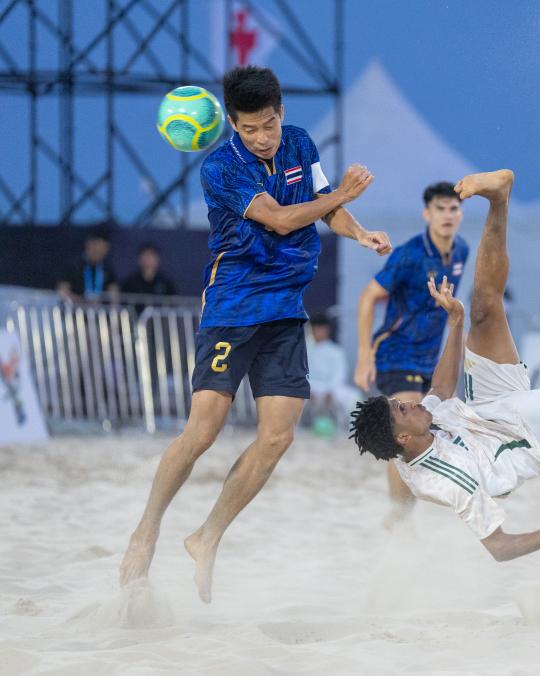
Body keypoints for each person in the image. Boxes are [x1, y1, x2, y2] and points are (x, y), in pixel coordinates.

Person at [119, 65, 392, 603]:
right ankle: (146, 529)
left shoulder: (300, 142)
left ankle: (207, 536)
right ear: (232, 124)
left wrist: (359, 232)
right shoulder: (220, 167)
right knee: (203, 432)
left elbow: (325, 209)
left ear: (281, 112)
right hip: (234, 305)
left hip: (286, 308)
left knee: (278, 436)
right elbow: (284, 219)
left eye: (269, 124)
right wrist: (343, 193)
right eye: (250, 129)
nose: (263, 137)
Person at [351, 170, 540, 561]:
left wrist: (456, 321)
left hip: (485, 409)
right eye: (403, 409)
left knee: (483, 306)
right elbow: (500, 548)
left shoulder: (415, 428)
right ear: (402, 438)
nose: (410, 403)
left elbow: (440, 391)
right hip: (530, 437)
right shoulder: (448, 481)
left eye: (401, 403)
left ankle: (499, 198)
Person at [353, 181, 469, 527]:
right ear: (426, 214)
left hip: (430, 357)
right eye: (440, 209)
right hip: (395, 352)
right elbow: (368, 297)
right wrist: (364, 355)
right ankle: (398, 513)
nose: (447, 215)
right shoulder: (409, 254)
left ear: (460, 214)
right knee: (404, 430)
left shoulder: (461, 250)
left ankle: (407, 512)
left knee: (436, 428)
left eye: (453, 208)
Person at [305, 312, 358, 432]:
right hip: (308, 388)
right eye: (316, 328)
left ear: (327, 330)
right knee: (290, 395)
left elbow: (339, 375)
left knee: (354, 396)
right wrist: (307, 390)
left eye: (321, 328)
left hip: (331, 388)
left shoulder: (336, 351)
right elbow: (300, 374)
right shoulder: (304, 349)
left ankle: (353, 430)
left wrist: (330, 391)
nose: (318, 332)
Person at [56, 227, 119, 303]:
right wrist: (83, 302)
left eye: (102, 252)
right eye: (96, 250)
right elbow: (63, 292)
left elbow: (114, 295)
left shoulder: (107, 269)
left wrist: (112, 305)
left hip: (99, 309)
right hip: (76, 308)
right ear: (89, 245)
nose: (99, 254)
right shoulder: (73, 266)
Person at [121, 242, 178, 312]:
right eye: (145, 255)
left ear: (157, 259)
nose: (148, 259)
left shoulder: (166, 283)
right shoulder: (130, 283)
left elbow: (173, 304)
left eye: (151, 255)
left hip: (159, 318)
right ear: (139, 259)